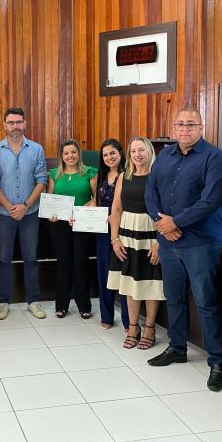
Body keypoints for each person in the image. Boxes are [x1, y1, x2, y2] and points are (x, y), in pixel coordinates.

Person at [145, 108, 222, 392]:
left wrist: (176, 222)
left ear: (201, 127)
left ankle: (217, 361)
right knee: (175, 299)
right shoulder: (164, 157)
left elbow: (211, 201)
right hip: (170, 243)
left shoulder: (215, 158)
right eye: (180, 124)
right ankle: (177, 347)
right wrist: (163, 224)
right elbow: (150, 192)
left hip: (201, 243)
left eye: (190, 124)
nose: (184, 129)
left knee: (207, 303)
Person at [0, 107, 48, 320]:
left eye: (18, 122)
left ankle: (33, 301)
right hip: (4, 214)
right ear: (4, 124)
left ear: (24, 123)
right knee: (3, 259)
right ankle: (4, 302)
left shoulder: (36, 149)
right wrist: (10, 207)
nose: (15, 126)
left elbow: (42, 180)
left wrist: (25, 205)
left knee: (31, 258)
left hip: (30, 213)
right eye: (11, 122)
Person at [107, 137, 164, 350]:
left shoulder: (158, 176)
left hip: (151, 234)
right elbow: (116, 209)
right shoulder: (124, 176)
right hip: (127, 235)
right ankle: (133, 327)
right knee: (130, 284)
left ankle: (149, 328)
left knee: (151, 285)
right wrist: (115, 239)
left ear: (149, 151)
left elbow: (165, 211)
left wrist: (160, 242)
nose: (137, 154)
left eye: (141, 150)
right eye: (133, 151)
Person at [47, 139, 97, 318]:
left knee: (81, 263)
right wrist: (51, 214)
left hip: (82, 224)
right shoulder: (54, 174)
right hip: (59, 225)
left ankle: (84, 306)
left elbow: (95, 199)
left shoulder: (90, 172)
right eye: (66, 153)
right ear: (61, 155)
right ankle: (61, 305)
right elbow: (50, 199)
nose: (70, 156)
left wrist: (81, 213)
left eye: (73, 152)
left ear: (79, 154)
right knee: (63, 264)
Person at [95, 138, 130, 331]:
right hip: (102, 232)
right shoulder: (101, 176)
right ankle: (107, 317)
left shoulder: (128, 175)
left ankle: (128, 320)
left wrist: (118, 216)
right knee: (104, 273)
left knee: (124, 274)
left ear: (121, 154)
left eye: (112, 153)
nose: (109, 157)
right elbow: (96, 201)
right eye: (105, 155)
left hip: (123, 230)